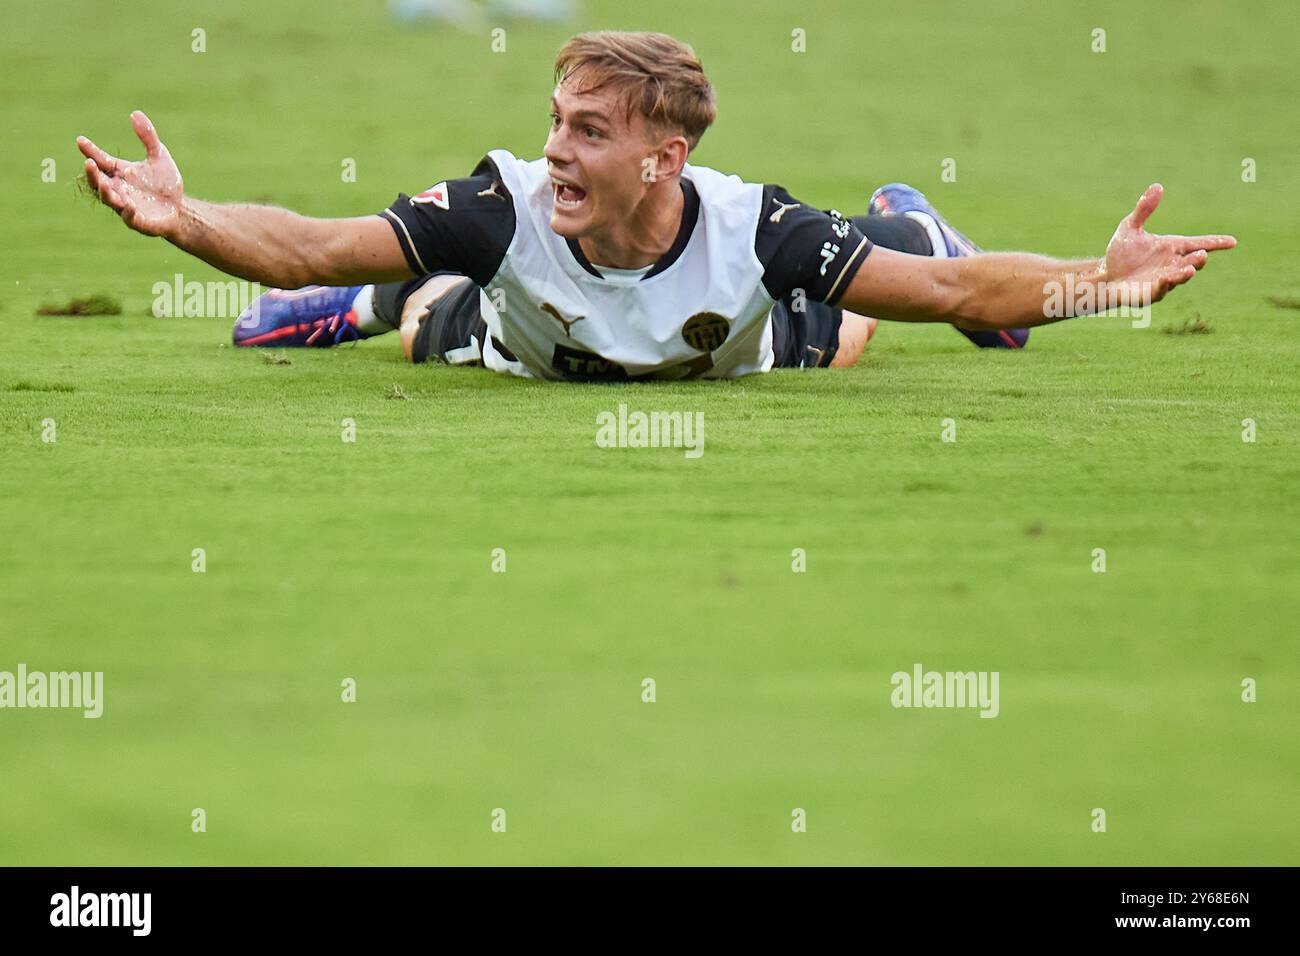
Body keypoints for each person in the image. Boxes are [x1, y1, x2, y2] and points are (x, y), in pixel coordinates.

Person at [77, 31, 1235, 381]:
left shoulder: (757, 228)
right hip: (520, 343)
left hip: (744, 346)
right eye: (553, 123)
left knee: (877, 311)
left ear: (662, 157)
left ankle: (910, 208)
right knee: (430, 314)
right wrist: (189, 220)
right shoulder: (507, 203)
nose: (554, 152)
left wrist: (1104, 281)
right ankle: (362, 310)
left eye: (587, 132)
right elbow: (306, 241)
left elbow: (951, 290)